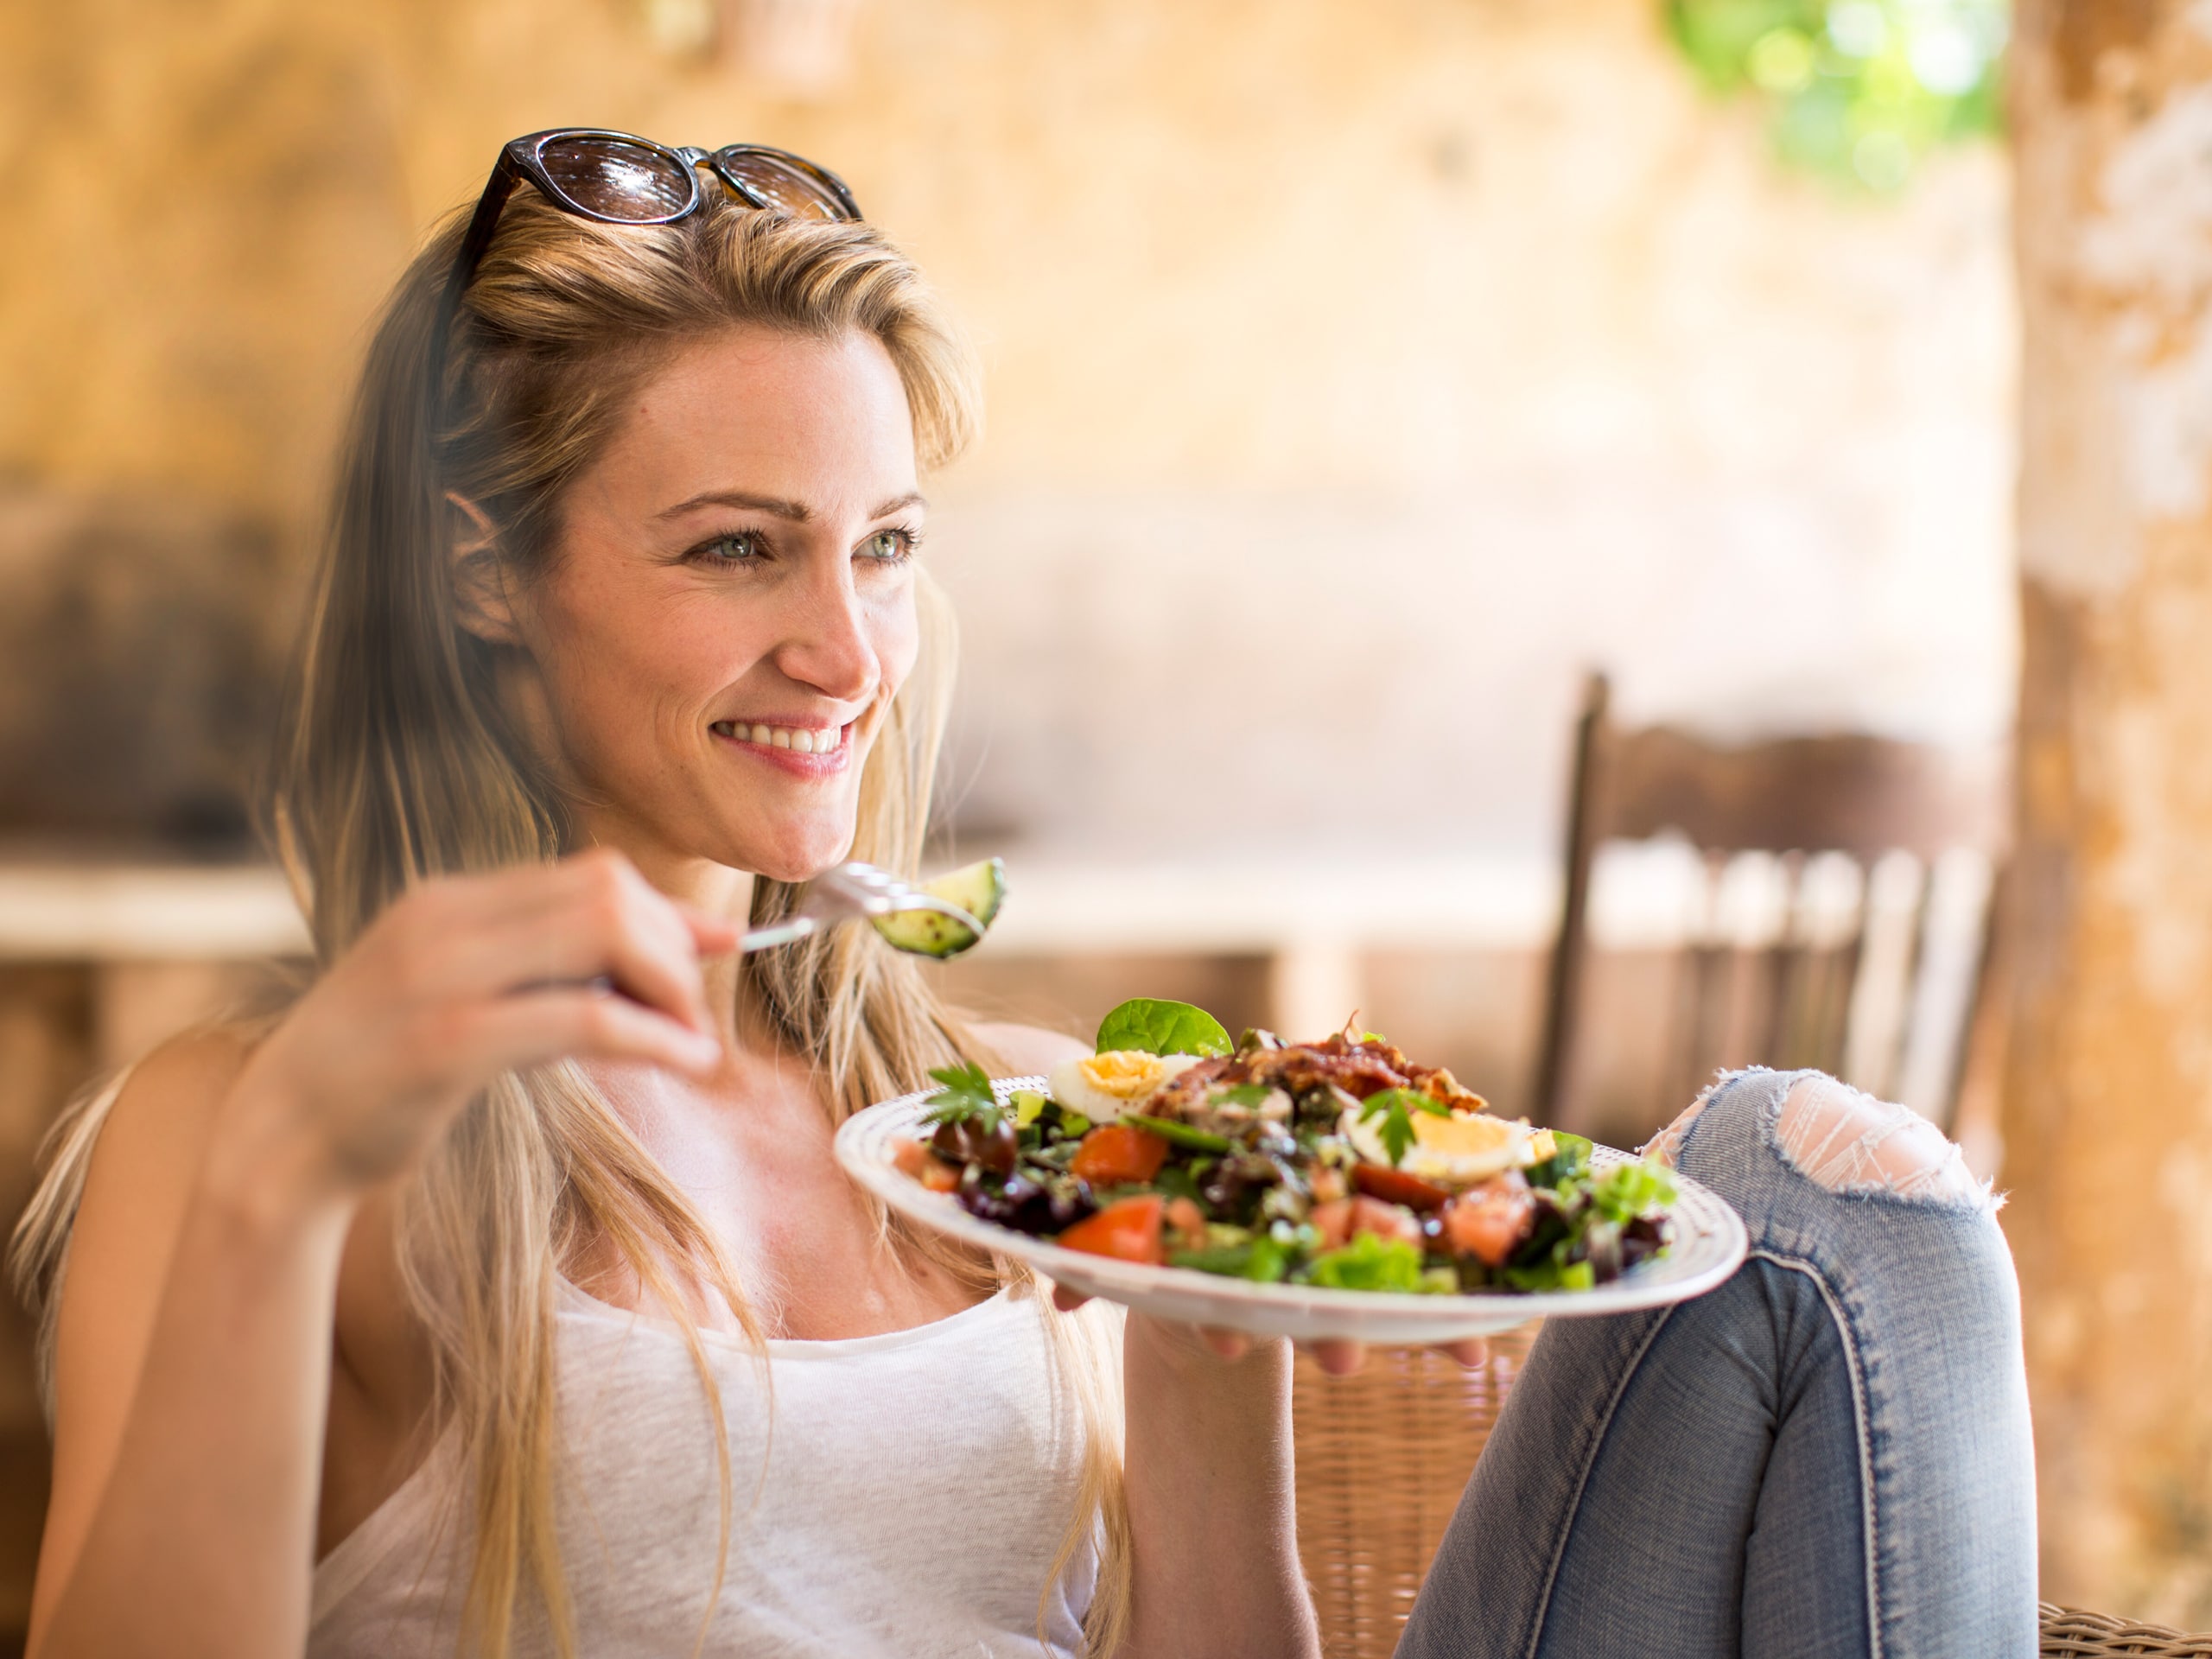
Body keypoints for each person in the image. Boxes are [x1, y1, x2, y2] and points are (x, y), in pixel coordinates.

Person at [7, 131, 2035, 1659]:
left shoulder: (1011, 1133)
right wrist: (281, 1183)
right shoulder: (268, 1130)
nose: (847, 651)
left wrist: (1207, 1323)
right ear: (482, 576)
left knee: (1824, 1202)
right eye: (735, 550)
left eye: (880, 546)